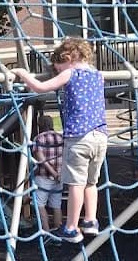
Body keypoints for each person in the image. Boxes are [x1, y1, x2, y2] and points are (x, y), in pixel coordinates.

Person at [14, 38, 107, 243]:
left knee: (75, 184)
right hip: (100, 137)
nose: (57, 72)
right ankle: (90, 221)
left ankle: (72, 227)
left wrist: (23, 74)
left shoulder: (70, 73)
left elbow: (40, 87)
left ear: (66, 58)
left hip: (79, 137)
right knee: (91, 183)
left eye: (57, 67)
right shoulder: (98, 75)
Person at [31, 114, 64, 232]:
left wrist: (52, 172)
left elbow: (40, 157)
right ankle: (58, 230)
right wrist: (58, 173)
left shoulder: (39, 138)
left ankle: (46, 231)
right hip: (59, 176)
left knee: (40, 205)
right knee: (56, 205)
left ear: (40, 125)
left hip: (43, 175)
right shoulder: (61, 137)